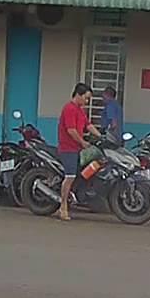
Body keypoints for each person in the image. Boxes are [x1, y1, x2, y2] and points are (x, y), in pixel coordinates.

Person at [56, 82, 100, 222]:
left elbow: (88, 125)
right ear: (78, 95)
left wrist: (100, 136)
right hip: (68, 149)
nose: (87, 102)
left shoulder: (80, 110)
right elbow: (71, 130)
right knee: (70, 177)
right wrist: (83, 142)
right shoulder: (69, 109)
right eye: (86, 98)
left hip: (78, 149)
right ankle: (63, 206)